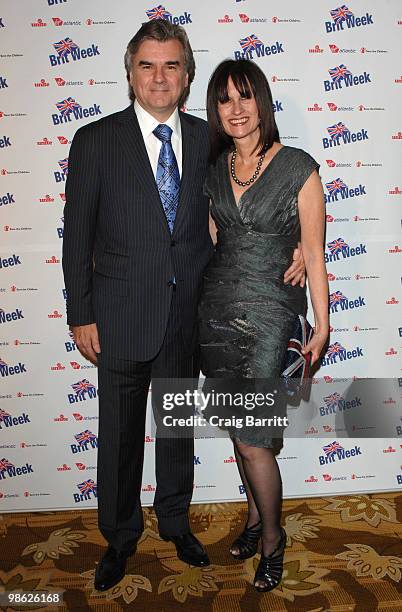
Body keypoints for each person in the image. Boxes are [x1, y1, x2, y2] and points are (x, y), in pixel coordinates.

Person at [62, 21, 306, 591]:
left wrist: (293, 242)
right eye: (147, 65)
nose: (159, 77)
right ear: (130, 74)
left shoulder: (207, 142)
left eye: (171, 65)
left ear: (188, 75)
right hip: (119, 317)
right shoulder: (95, 141)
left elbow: (249, 203)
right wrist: (81, 314)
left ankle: (174, 522)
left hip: (189, 317)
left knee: (176, 433)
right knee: (119, 438)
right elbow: (76, 237)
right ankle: (120, 539)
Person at [198, 59, 329, 592]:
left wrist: (321, 326)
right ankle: (254, 518)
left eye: (245, 96)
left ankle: (272, 538)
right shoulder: (212, 171)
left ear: (263, 103)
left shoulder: (299, 165)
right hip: (217, 316)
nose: (236, 108)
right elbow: (212, 240)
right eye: (225, 99)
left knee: (254, 440)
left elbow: (315, 255)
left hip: (273, 318)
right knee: (238, 429)